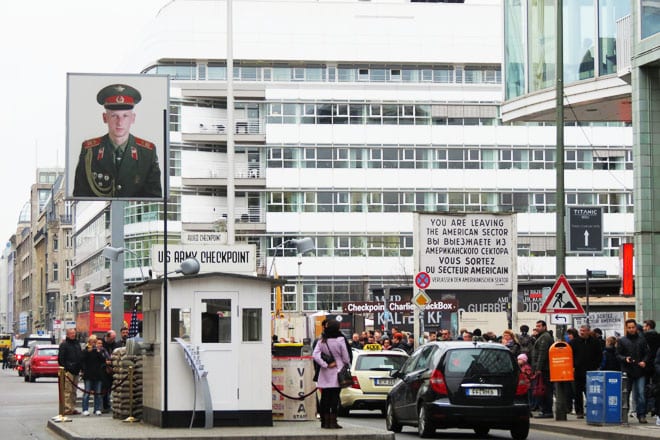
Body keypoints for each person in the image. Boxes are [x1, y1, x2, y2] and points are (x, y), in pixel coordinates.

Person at [73, 83, 162, 198]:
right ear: (105, 118)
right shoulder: (89, 151)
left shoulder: (147, 152)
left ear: (133, 118)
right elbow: (80, 194)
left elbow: (154, 197)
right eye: (114, 116)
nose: (120, 122)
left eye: (125, 116)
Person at [312, 319, 350, 429]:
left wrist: (324, 364)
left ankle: (324, 421)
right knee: (334, 398)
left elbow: (315, 355)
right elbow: (346, 357)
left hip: (325, 372)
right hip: (337, 370)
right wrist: (344, 363)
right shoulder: (340, 339)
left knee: (324, 397)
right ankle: (333, 422)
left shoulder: (322, 339)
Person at [616, 318, 651, 423]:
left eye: (633, 327)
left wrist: (644, 361)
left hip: (640, 370)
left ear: (636, 327)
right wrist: (625, 359)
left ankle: (641, 415)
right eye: (629, 327)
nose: (631, 329)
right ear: (626, 328)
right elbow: (617, 354)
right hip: (627, 370)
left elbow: (647, 353)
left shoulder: (642, 339)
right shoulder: (622, 340)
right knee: (626, 393)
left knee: (641, 394)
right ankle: (624, 415)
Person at [569, 325, 602, 418]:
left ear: (588, 331)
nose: (582, 332)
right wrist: (573, 366)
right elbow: (570, 355)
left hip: (591, 371)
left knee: (590, 392)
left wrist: (596, 366)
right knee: (577, 393)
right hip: (578, 371)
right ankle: (579, 412)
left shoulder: (595, 342)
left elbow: (599, 355)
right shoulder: (574, 342)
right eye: (581, 330)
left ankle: (592, 410)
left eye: (584, 331)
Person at [531, 320, 554, 418]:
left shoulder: (545, 337)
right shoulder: (542, 337)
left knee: (545, 390)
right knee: (544, 389)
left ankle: (547, 411)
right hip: (544, 368)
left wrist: (538, 368)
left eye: (539, 326)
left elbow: (542, 353)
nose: (537, 328)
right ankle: (545, 410)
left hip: (545, 368)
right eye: (536, 326)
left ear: (545, 327)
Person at [58, 328, 83, 415]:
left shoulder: (77, 344)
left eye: (74, 333)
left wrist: (81, 367)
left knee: (74, 391)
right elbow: (61, 359)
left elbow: (80, 356)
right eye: (71, 333)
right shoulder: (64, 345)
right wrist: (66, 368)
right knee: (67, 391)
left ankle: (72, 408)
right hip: (68, 371)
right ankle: (67, 408)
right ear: (68, 334)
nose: (73, 335)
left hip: (76, 371)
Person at [80, 336, 106, 416]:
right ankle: (85, 409)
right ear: (89, 342)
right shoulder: (85, 350)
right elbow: (82, 360)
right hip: (88, 374)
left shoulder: (98, 351)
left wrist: (98, 352)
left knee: (98, 393)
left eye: (95, 342)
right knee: (87, 393)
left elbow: (103, 360)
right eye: (93, 342)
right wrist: (83, 371)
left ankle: (97, 409)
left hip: (97, 374)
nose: (94, 344)